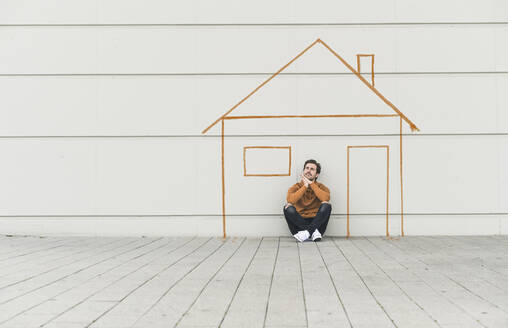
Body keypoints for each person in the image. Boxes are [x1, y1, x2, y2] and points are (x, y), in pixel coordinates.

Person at [283, 159, 332, 242]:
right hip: (298, 226)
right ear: (303, 171)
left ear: (317, 175)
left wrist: (311, 184)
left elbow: (325, 198)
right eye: (307, 168)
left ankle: (308, 232)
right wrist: (305, 186)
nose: (308, 171)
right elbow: (290, 200)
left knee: (327, 205)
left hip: (317, 224)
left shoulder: (321, 187)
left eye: (312, 169)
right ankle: (313, 232)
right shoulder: (296, 187)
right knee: (287, 207)